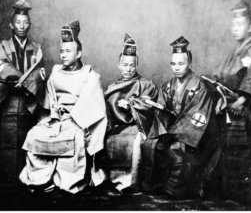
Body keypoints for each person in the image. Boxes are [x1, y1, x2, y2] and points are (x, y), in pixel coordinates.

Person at [19, 20, 107, 195]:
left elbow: (95, 107)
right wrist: (40, 80)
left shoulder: (90, 76)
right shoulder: (56, 73)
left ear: (79, 53)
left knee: (74, 138)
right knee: (35, 134)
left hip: (78, 121)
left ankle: (68, 181)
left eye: (68, 51)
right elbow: (49, 99)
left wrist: (74, 120)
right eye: (61, 51)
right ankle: (41, 179)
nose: (63, 55)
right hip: (56, 118)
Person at [141, 36, 219, 199]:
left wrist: (175, 133)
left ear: (190, 64)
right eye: (173, 64)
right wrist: (162, 124)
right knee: (152, 143)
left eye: (181, 64)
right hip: (172, 131)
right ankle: (157, 186)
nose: (176, 68)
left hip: (192, 136)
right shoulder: (167, 86)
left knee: (177, 148)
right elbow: (160, 113)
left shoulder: (199, 86)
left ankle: (174, 189)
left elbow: (198, 116)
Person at [0, 0, 46, 185]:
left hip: (27, 105)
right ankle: (7, 183)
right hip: (6, 103)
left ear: (30, 24)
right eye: (18, 22)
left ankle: (28, 182)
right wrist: (15, 78)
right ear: (11, 24)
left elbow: (40, 74)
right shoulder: (3, 46)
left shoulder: (36, 49)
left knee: (28, 145)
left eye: (25, 22)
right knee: (6, 143)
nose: (22, 26)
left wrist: (26, 84)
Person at [213, 0, 251, 183]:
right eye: (233, 24)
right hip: (228, 99)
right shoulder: (234, 52)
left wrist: (242, 100)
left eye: (240, 24)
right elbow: (219, 74)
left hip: (250, 105)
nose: (234, 28)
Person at [99, 33, 158, 195]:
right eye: (125, 65)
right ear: (118, 65)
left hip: (136, 126)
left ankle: (132, 184)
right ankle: (109, 181)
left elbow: (148, 103)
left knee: (136, 141)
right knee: (100, 137)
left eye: (132, 65)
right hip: (115, 127)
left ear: (137, 64)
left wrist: (131, 104)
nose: (128, 69)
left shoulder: (145, 84)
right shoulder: (111, 88)